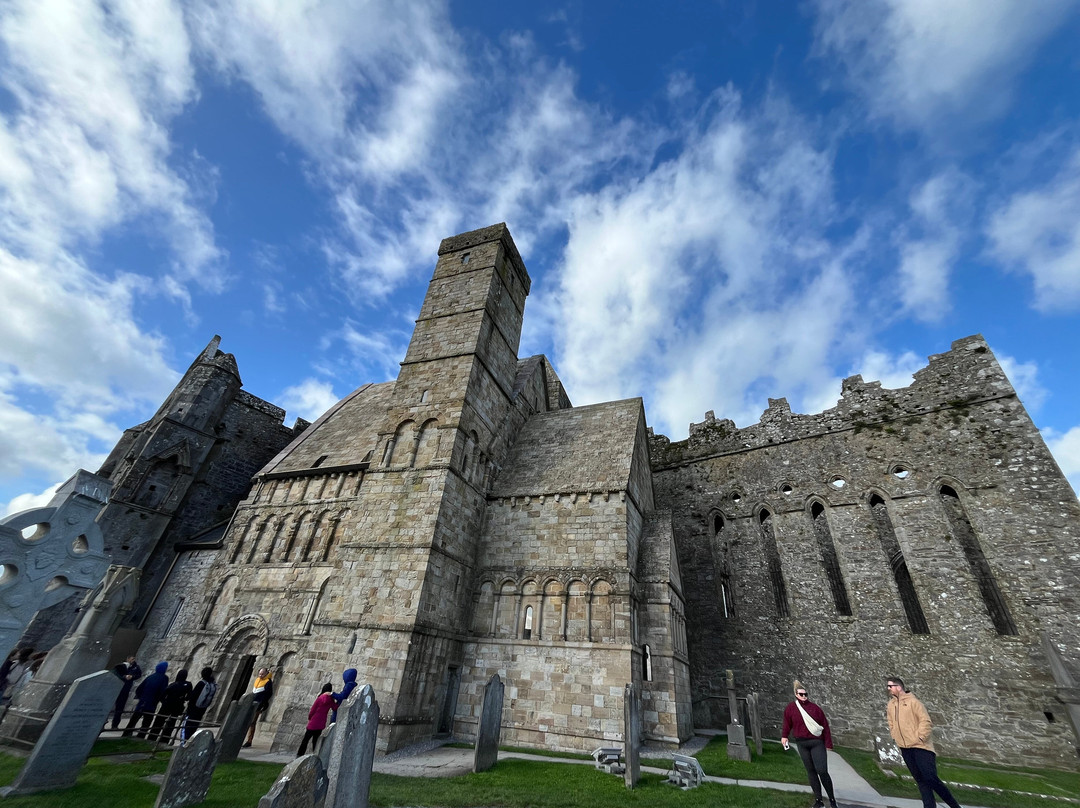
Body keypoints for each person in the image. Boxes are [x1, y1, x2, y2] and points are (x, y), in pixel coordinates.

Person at [886, 677, 963, 808]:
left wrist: (920, 738)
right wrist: (895, 736)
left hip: (921, 747)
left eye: (890, 686)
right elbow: (891, 722)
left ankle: (954, 805)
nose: (888, 689)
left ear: (899, 687)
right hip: (905, 748)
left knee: (930, 778)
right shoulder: (891, 705)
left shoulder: (914, 702)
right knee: (921, 781)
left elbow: (925, 721)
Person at [781, 679, 838, 808]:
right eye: (801, 694)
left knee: (822, 770)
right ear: (796, 694)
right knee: (811, 771)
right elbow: (787, 723)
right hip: (802, 743)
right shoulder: (791, 708)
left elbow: (825, 726)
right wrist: (784, 736)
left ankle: (832, 800)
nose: (804, 697)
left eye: (806, 694)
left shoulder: (815, 708)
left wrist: (828, 744)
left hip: (816, 742)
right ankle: (819, 800)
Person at [124, 661, 169, 737]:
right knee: (147, 721)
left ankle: (126, 734)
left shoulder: (150, 677)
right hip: (151, 703)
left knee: (134, 719)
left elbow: (139, 689)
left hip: (142, 701)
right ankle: (140, 736)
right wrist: (162, 701)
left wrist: (141, 697)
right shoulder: (164, 678)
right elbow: (162, 691)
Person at [150, 668, 192, 744]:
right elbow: (189, 696)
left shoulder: (173, 685)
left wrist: (164, 702)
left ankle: (152, 737)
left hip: (167, 704)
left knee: (159, 722)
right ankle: (165, 740)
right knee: (171, 723)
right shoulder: (188, 685)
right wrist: (182, 699)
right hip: (177, 705)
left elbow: (163, 695)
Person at [181, 667, 218, 743]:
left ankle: (184, 742)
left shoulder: (201, 683)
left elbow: (193, 696)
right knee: (194, 726)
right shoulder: (212, 684)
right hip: (202, 709)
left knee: (187, 726)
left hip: (193, 708)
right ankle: (190, 741)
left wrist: (187, 698)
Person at [298, 683, 335, 756]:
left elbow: (313, 710)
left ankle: (299, 755)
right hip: (321, 723)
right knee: (315, 741)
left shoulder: (320, 698)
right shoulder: (331, 700)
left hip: (314, 722)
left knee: (305, 740)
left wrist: (310, 718)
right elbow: (335, 707)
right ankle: (315, 755)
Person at [242, 666, 274, 747]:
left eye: (262, 674)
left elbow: (268, 695)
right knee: (246, 721)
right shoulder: (257, 680)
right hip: (251, 703)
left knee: (252, 722)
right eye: (260, 673)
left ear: (266, 674)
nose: (261, 675)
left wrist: (263, 705)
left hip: (258, 705)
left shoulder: (268, 682)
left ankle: (249, 741)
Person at [111, 655, 142, 730]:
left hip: (125, 689)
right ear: (127, 659)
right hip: (117, 688)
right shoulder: (120, 666)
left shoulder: (136, 667)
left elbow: (138, 675)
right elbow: (114, 674)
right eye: (132, 659)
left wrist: (132, 677)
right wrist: (124, 677)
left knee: (120, 708)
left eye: (134, 659)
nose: (133, 660)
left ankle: (115, 725)